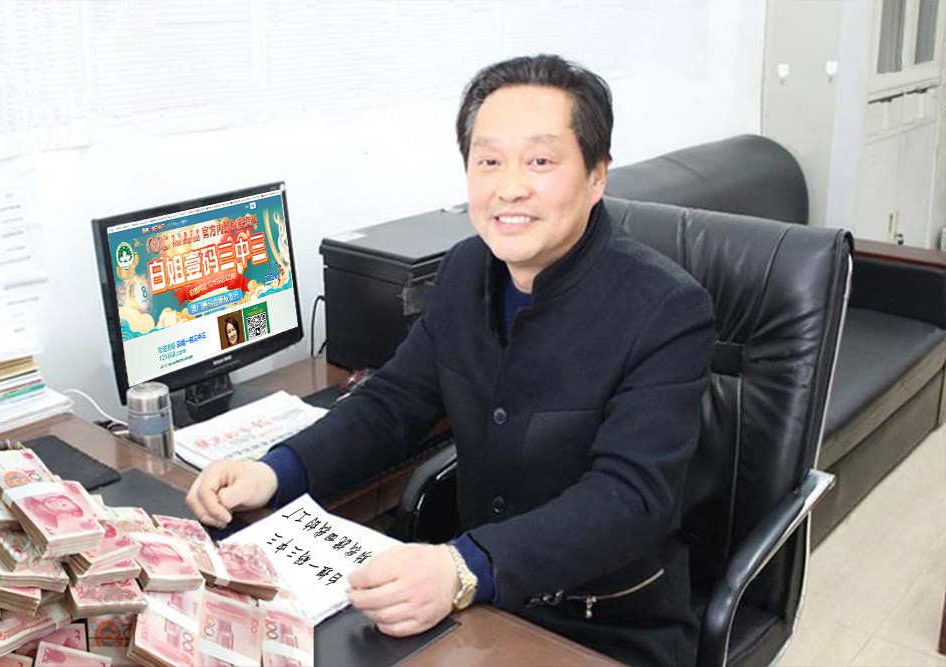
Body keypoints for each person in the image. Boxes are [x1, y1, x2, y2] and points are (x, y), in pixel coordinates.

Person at [187, 54, 714, 666]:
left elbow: (630, 498)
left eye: (540, 162)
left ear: (597, 175)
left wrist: (464, 566)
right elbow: (394, 402)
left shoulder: (665, 308)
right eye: (488, 161)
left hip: (603, 626)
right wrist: (277, 471)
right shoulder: (467, 269)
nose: (509, 187)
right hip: (480, 608)